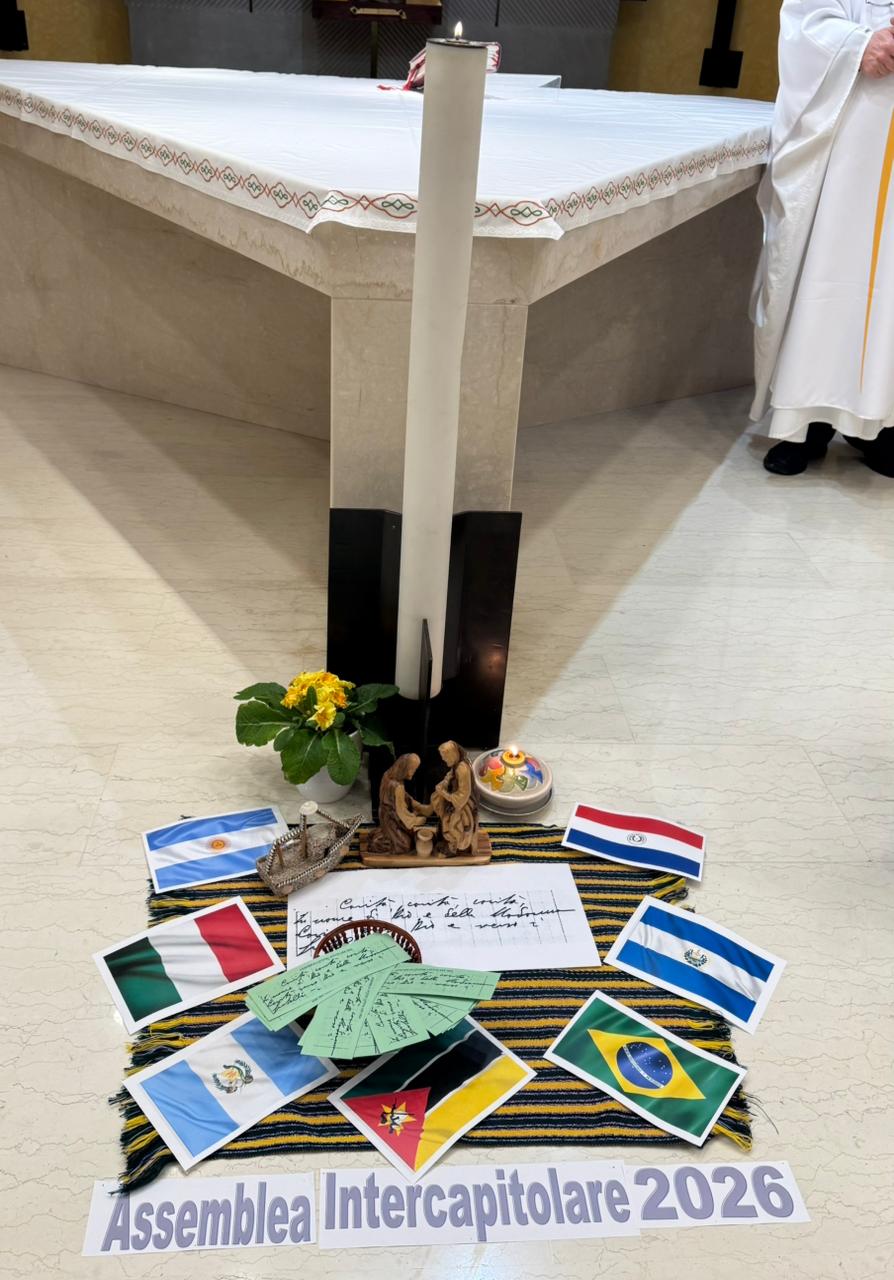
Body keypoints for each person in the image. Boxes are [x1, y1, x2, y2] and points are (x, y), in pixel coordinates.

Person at [752, 1, 894, 476]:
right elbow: (803, 22)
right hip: (846, 130)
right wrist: (857, 45)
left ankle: (878, 422)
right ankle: (803, 421)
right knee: (826, 268)